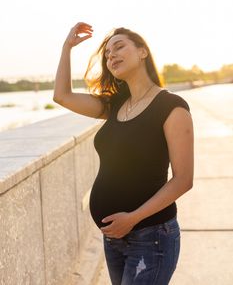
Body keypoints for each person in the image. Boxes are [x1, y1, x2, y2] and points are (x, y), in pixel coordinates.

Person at [53, 22, 194, 285]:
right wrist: (67, 48)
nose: (111, 56)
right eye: (107, 54)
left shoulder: (172, 107)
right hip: (114, 237)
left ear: (142, 52)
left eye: (119, 47)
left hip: (151, 236)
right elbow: (62, 96)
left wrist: (133, 218)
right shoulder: (115, 104)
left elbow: (183, 179)